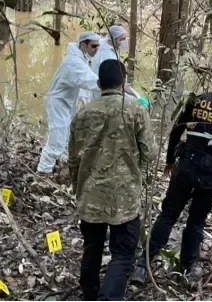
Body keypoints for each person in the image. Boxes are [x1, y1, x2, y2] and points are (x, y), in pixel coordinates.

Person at [132, 70, 212, 283]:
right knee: (196, 221)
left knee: (168, 214)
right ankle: (187, 269)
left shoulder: (197, 101)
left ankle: (143, 266)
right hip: (211, 175)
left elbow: (177, 129)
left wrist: (169, 160)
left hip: (186, 166)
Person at [68, 59, 156, 301]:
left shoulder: (82, 114)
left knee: (92, 249)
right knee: (123, 254)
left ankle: (90, 294)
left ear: (98, 84)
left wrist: (79, 190)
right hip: (124, 199)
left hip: (90, 196)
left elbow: (73, 158)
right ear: (124, 82)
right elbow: (150, 153)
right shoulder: (136, 110)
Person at [36, 32, 101, 174]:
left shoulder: (81, 58)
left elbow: (83, 80)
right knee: (57, 139)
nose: (97, 48)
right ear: (83, 45)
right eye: (93, 45)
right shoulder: (73, 62)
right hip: (58, 103)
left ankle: (64, 167)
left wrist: (83, 99)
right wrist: (114, 84)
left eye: (98, 45)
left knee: (69, 137)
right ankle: (42, 172)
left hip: (67, 103)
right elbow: (90, 80)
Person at [78, 25, 150, 107]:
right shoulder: (107, 56)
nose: (124, 41)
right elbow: (116, 85)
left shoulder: (103, 43)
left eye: (125, 38)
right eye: (121, 39)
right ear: (112, 39)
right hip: (105, 96)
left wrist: (136, 95)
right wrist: (137, 99)